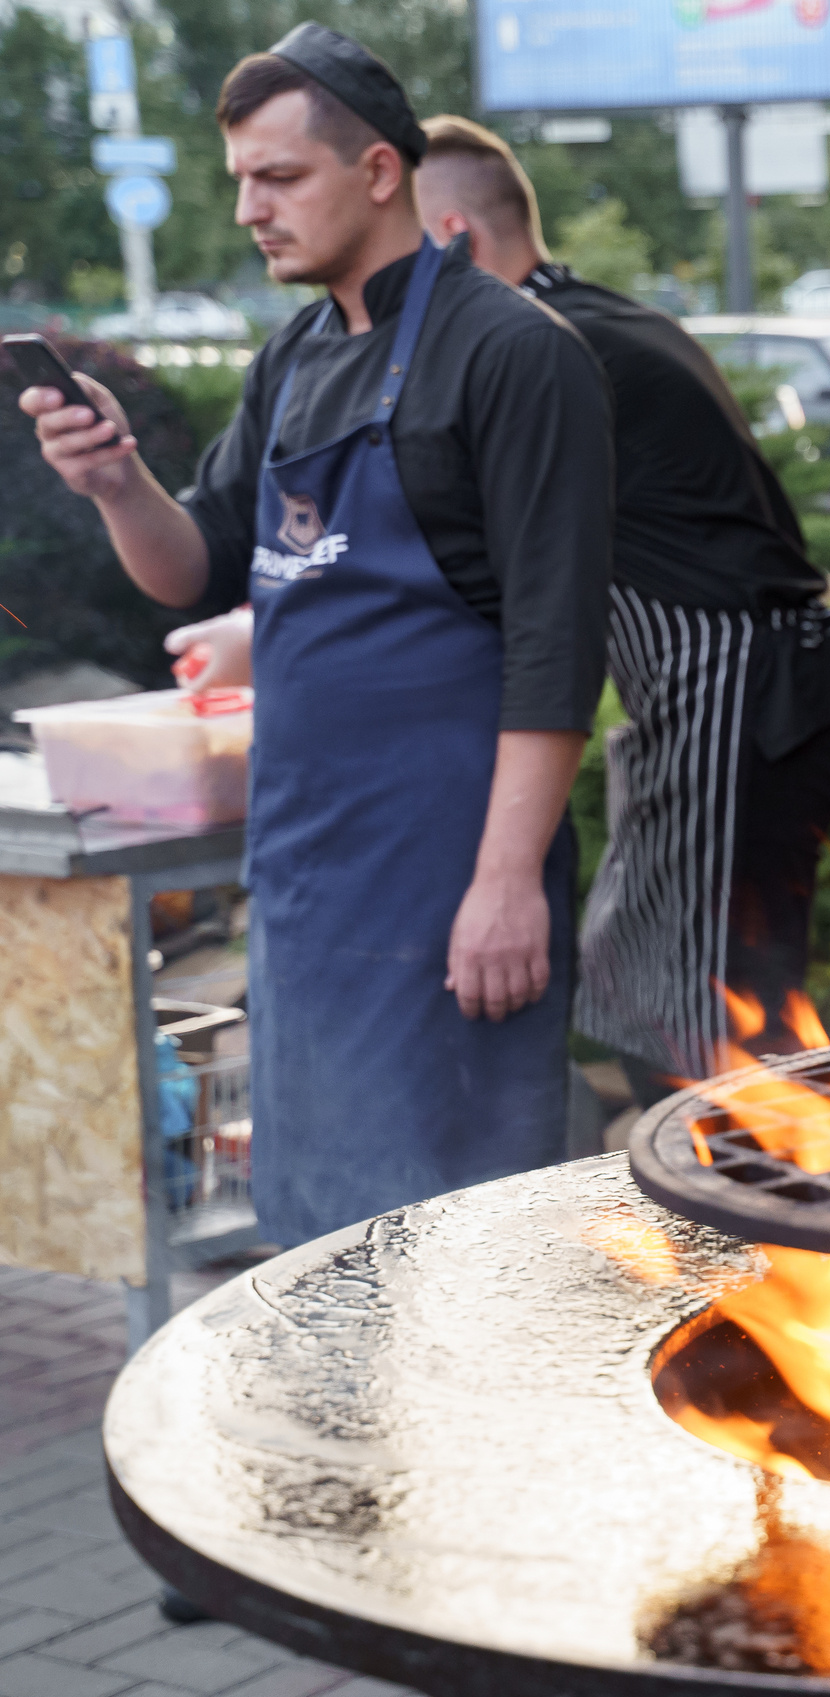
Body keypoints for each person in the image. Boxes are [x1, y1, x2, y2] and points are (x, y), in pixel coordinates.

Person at [19, 25, 614, 1246]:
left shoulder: (513, 354)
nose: (249, 209)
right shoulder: (292, 356)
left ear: (381, 171)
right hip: (306, 876)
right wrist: (118, 483)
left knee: (456, 1237)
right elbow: (195, 572)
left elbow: (557, 648)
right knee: (318, 1234)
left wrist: (505, 884)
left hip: (449, 873)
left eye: (278, 177)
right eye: (241, 179)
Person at [413, 116, 830, 1098]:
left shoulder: (554, 351)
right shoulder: (595, 319)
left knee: (691, 1017)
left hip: (736, 687)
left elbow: (488, 562)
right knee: (669, 989)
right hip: (742, 686)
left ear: (453, 238)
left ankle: (759, 1232)